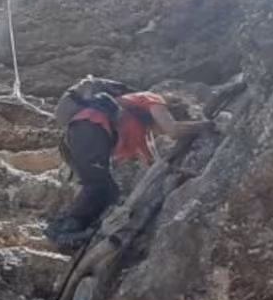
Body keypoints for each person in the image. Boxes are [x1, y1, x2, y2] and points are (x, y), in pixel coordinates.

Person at [43, 76, 211, 248]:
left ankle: (78, 230)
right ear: (173, 113)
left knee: (110, 191)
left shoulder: (140, 131)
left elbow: (154, 166)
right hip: (90, 128)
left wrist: (180, 177)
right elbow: (173, 130)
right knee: (97, 184)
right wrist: (208, 125)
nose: (162, 134)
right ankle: (61, 229)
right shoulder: (154, 100)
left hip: (84, 135)